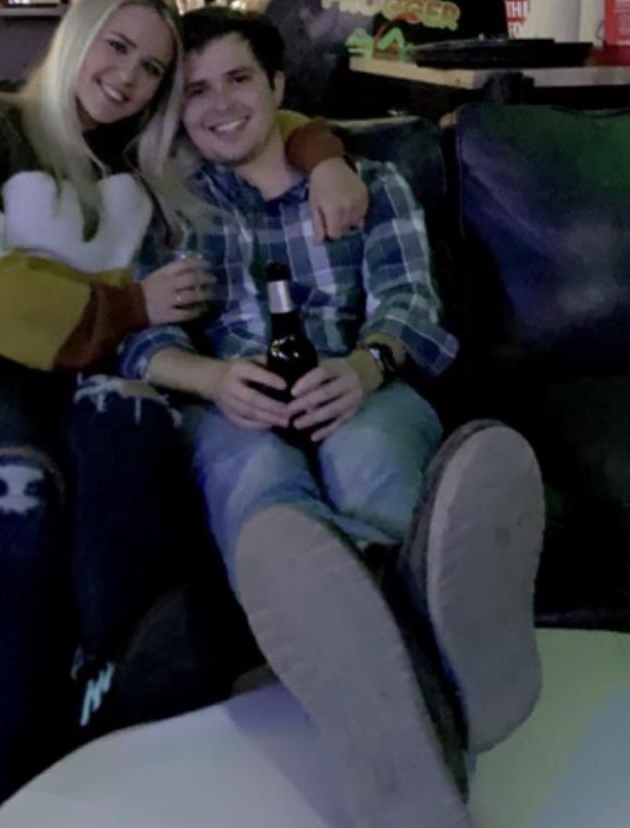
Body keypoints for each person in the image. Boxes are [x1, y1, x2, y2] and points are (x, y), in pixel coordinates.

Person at [0, 0, 369, 819]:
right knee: (18, 498)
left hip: (83, 378)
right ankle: (12, 806)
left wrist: (326, 159)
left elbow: (256, 120)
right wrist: (131, 307)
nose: (128, 76)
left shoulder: (150, 153)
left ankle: (107, 715)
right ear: (78, 35)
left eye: (152, 68)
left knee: (136, 435)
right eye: (116, 46)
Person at [120, 7, 545, 827]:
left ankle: (390, 692)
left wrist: (363, 366)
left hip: (359, 383)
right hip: (235, 403)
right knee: (265, 495)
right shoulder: (172, 208)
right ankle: (451, 677)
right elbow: (142, 345)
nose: (219, 105)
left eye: (238, 79)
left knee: (369, 457)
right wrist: (215, 378)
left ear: (278, 85)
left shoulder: (370, 184)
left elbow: (412, 306)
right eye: (196, 91)